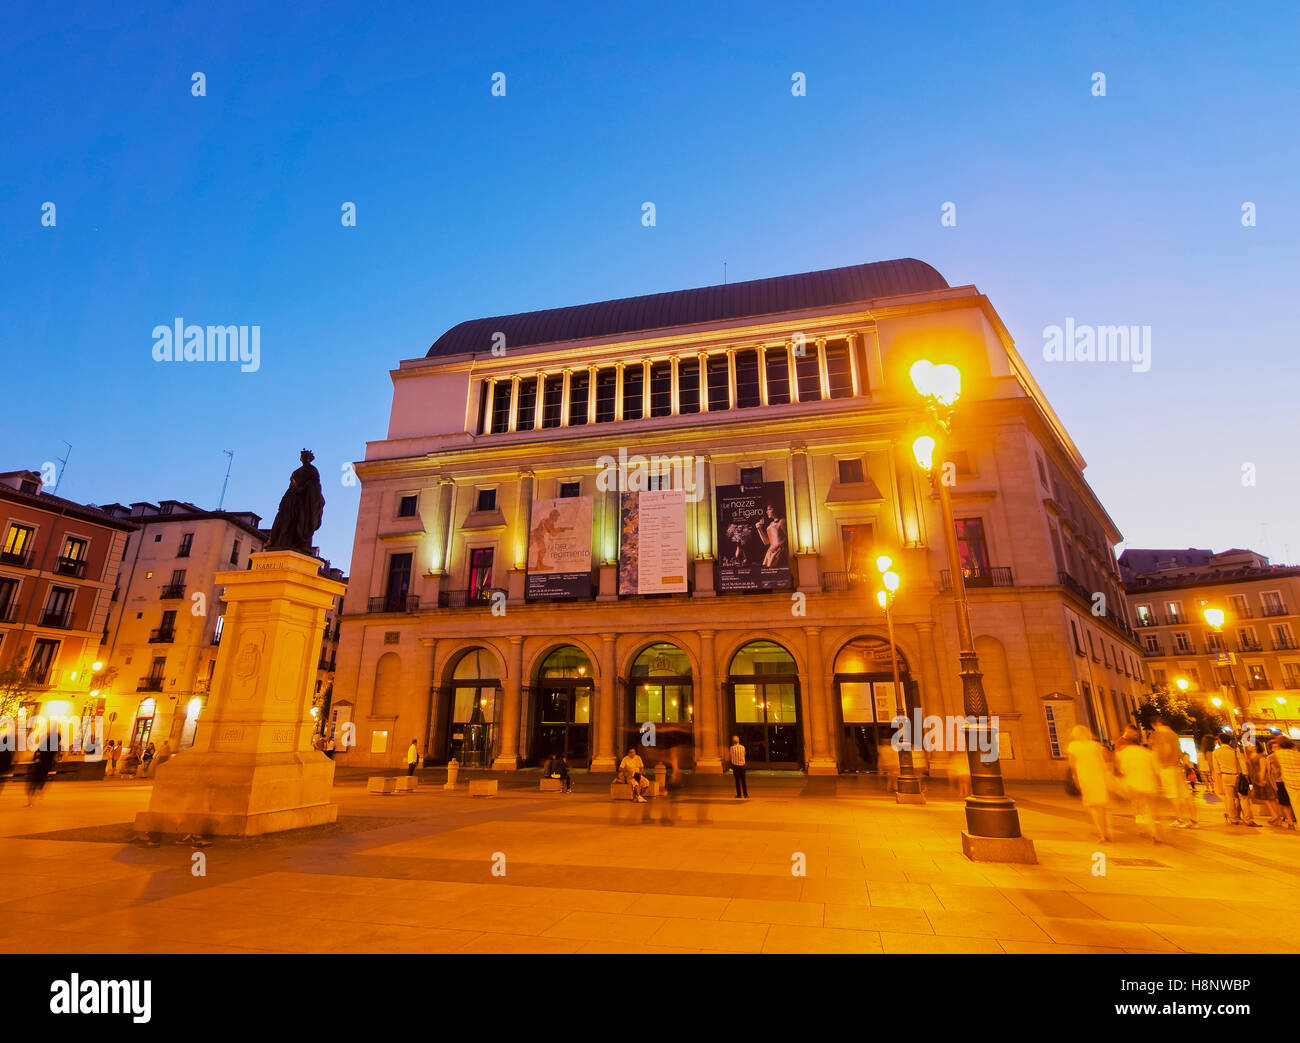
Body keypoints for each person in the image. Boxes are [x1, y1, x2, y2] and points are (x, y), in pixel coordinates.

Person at [1115, 731, 1163, 842]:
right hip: (1150, 785)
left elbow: (1123, 771)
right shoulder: (1147, 753)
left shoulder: (1125, 754)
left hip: (1135, 785)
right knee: (1148, 809)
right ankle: (1154, 832)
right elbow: (1157, 770)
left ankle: (1148, 829)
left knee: (1140, 808)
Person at [1067, 725, 1112, 841]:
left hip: (1085, 777)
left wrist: (1075, 778)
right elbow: (1107, 759)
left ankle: (1102, 833)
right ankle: (1106, 831)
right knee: (1102, 806)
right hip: (1099, 776)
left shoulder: (1073, 746)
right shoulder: (1096, 745)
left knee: (1093, 806)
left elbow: (1072, 765)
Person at [1150, 717, 1195, 827]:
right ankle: (1192, 820)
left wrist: (1159, 761)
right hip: (1177, 767)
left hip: (1167, 767)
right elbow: (1179, 751)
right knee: (1184, 794)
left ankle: (1181, 819)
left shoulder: (1161, 734)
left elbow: (1166, 749)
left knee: (1174, 795)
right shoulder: (1173, 734)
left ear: (1157, 723)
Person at [1212, 735, 1260, 827]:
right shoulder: (1235, 751)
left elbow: (1216, 769)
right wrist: (1245, 776)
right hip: (1237, 776)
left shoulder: (1215, 752)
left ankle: (1233, 819)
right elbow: (1242, 765)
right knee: (1244, 798)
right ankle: (1248, 820)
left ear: (1220, 742)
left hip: (1225, 776)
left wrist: (1218, 783)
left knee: (1229, 798)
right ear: (1230, 742)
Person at [1270, 737, 1300, 830]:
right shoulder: (1296, 753)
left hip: (1289, 781)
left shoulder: (1278, 754)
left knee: (1295, 803)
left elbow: (1276, 769)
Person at [1249, 739, 1281, 824]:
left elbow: (1263, 768)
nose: (1249, 746)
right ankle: (1276, 816)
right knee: (1267, 798)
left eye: (1250, 745)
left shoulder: (1260, 756)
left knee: (1269, 798)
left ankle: (1275, 815)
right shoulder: (1251, 755)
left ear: (1255, 746)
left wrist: (1262, 778)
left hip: (1262, 778)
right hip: (1256, 778)